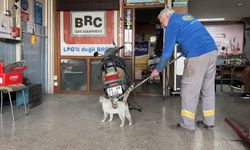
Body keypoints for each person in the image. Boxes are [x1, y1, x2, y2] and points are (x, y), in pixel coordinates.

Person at [151, 8, 218, 131]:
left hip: (198, 56)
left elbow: (166, 53)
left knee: (189, 90)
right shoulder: (187, 17)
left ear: (167, 17)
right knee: (207, 89)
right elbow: (193, 36)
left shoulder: (172, 24)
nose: (163, 26)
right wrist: (185, 50)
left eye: (161, 23)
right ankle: (209, 122)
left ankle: (187, 125)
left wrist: (158, 69)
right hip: (212, 52)